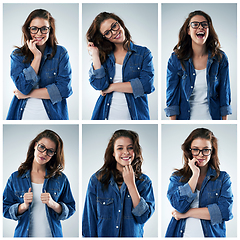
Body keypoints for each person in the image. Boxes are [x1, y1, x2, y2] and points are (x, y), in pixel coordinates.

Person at [3, 129, 75, 237]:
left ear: (54, 155)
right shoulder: (15, 178)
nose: (44, 153)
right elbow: (4, 208)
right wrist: (23, 206)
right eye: (42, 147)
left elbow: (71, 208)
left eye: (50, 151)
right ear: (35, 145)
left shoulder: (60, 179)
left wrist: (53, 204)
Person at [82, 129, 155, 237]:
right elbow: (89, 221)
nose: (126, 152)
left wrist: (131, 185)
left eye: (130, 148)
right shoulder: (96, 180)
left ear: (135, 151)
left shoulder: (144, 182)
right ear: (113, 153)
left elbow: (143, 217)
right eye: (120, 148)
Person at [164, 10, 232, 120]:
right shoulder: (176, 59)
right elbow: (172, 97)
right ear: (188, 30)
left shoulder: (220, 58)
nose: (200, 27)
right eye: (195, 24)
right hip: (185, 119)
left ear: (209, 30)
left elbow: (225, 94)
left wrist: (224, 122)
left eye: (204, 24)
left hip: (213, 119)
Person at [165, 128, 233, 237]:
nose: (201, 155)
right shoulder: (177, 177)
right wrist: (195, 175)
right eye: (196, 149)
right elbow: (179, 206)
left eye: (206, 150)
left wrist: (187, 213)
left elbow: (225, 212)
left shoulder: (223, 178)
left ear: (212, 151)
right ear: (189, 150)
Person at [86, 12, 155, 120]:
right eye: (107, 32)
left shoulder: (143, 53)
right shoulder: (103, 57)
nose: (114, 32)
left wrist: (111, 87)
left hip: (136, 116)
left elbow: (146, 85)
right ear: (104, 38)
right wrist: (95, 54)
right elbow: (99, 85)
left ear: (120, 23)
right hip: (105, 116)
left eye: (114, 26)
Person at [7, 9, 72, 120]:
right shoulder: (17, 55)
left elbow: (64, 90)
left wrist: (27, 94)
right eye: (34, 29)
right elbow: (23, 87)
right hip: (23, 115)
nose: (39, 33)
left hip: (54, 116)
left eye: (44, 29)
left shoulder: (60, 53)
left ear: (50, 30)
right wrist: (37, 57)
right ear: (28, 30)